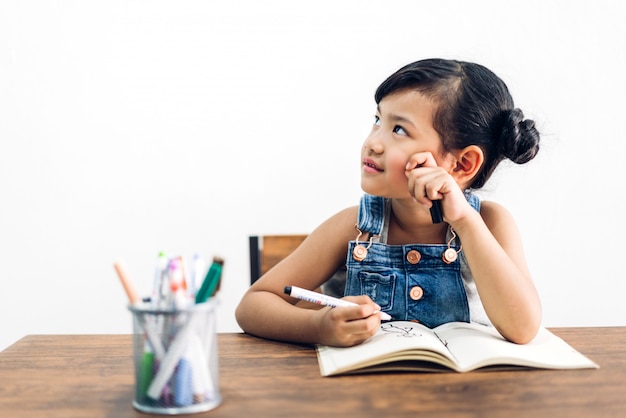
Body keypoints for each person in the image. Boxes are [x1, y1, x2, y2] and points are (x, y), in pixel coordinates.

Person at [236, 58, 542, 347]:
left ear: (463, 164)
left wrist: (465, 222)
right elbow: (253, 305)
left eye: (399, 129)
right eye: (377, 120)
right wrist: (319, 326)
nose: (373, 142)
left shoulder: (490, 223)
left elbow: (524, 328)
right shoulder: (356, 226)